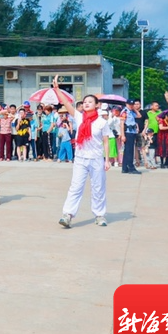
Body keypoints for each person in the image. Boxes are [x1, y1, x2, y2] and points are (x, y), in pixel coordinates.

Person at [53, 77, 111, 228]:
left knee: (98, 187)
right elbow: (66, 103)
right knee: (76, 187)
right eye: (85, 101)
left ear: (97, 105)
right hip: (80, 158)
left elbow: (106, 141)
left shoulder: (102, 122)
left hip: (97, 159)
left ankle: (99, 215)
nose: (86, 103)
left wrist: (107, 160)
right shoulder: (79, 117)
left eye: (90, 101)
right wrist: (58, 89)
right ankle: (67, 215)